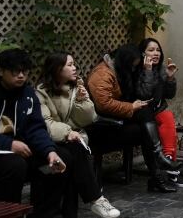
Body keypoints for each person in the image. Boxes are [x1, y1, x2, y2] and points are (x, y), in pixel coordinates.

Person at [0, 49, 67, 217]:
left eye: (25, 72)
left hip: (19, 151)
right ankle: (9, 214)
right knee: (15, 166)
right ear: (0, 71)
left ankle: (42, 213)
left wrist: (50, 151)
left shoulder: (27, 94)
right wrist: (9, 144)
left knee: (57, 160)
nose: (21, 76)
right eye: (15, 71)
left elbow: (36, 127)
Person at [36, 52, 120, 218]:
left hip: (74, 140)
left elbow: (88, 119)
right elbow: (46, 123)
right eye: (70, 65)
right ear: (57, 69)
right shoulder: (41, 93)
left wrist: (82, 101)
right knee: (73, 155)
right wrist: (68, 132)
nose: (75, 68)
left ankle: (84, 206)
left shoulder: (76, 88)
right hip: (50, 142)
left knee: (74, 152)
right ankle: (95, 199)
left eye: (74, 64)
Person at [87, 44, 180, 194]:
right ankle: (158, 169)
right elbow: (103, 105)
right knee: (146, 129)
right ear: (125, 61)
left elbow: (157, 95)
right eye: (132, 65)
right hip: (102, 126)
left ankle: (157, 173)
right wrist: (131, 107)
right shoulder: (102, 74)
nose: (133, 68)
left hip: (118, 120)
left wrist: (159, 77)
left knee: (146, 120)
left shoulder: (120, 70)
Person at [136, 37, 183, 188]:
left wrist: (170, 78)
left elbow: (169, 95)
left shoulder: (160, 69)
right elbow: (144, 96)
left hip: (157, 111)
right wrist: (147, 72)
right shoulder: (137, 71)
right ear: (142, 53)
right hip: (141, 113)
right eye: (151, 50)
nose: (156, 53)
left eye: (158, 50)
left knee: (167, 116)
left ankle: (168, 161)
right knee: (167, 117)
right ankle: (171, 167)